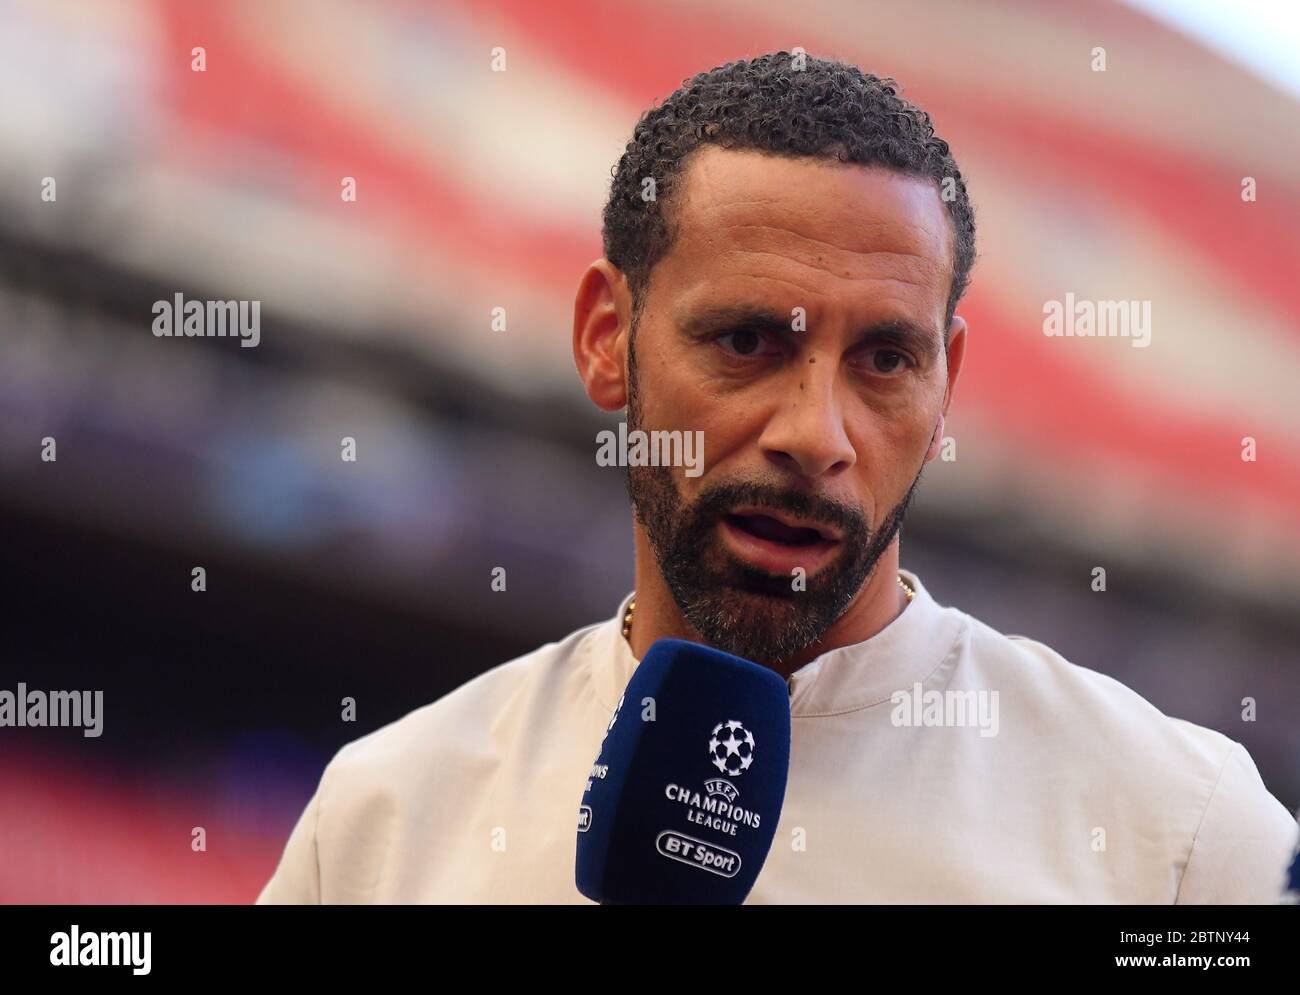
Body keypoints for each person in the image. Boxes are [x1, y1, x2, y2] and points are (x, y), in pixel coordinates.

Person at [257, 52, 1297, 903]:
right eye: (747, 340)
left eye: (886, 360)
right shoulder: (383, 823)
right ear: (606, 336)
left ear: (947, 384)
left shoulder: (1186, 840)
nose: (816, 433)